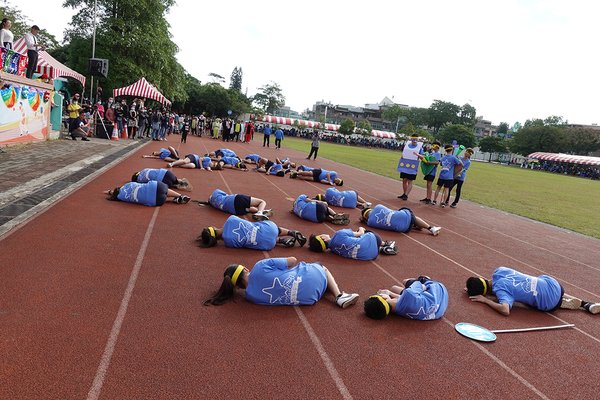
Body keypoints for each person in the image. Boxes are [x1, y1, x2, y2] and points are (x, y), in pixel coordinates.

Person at [203, 258, 360, 308]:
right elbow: (292, 260)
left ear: (236, 286)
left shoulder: (250, 296)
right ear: (244, 268)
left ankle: (324, 287)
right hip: (311, 280)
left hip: (309, 299)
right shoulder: (259, 266)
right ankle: (339, 296)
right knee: (321, 267)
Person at [465, 267, 600, 316]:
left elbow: (505, 310)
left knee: (526, 302)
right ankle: (586, 303)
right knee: (540, 282)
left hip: (550, 304)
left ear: (484, 293)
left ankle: (561, 302)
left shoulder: (501, 292)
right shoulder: (500, 270)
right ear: (482, 278)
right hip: (555, 285)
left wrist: (486, 300)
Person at [197, 216, 307, 250]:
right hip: (271, 229)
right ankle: (291, 232)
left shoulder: (229, 243)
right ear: (213, 227)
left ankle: (282, 241)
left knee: (252, 239)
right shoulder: (230, 220)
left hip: (268, 245)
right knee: (262, 227)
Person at [364, 276, 449, 320]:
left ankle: (392, 292)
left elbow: (403, 301)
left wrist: (389, 293)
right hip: (439, 292)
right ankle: (427, 278)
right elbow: (424, 287)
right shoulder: (409, 294)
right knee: (405, 281)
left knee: (394, 288)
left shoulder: (395, 311)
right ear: (384, 298)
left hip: (439, 311)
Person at [308, 227, 398, 260]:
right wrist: (361, 228)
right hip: (374, 239)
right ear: (322, 238)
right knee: (365, 233)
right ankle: (385, 244)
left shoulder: (334, 250)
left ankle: (382, 249)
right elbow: (361, 234)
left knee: (357, 244)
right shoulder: (339, 234)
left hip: (372, 256)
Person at [360, 206, 441, 236]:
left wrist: (362, 220)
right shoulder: (378, 207)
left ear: (365, 217)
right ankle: (430, 228)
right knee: (404, 212)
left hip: (404, 229)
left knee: (398, 222)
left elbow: (365, 221)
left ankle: (415, 226)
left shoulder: (370, 223)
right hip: (406, 216)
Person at [203, 188, 274, 221]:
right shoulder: (215, 192)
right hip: (235, 199)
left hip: (236, 211)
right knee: (261, 202)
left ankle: (262, 211)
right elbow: (227, 195)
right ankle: (260, 212)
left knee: (248, 208)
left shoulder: (214, 205)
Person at [103, 182, 190, 206]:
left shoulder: (121, 197)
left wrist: (110, 193)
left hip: (157, 201)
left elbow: (113, 193)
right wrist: (109, 191)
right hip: (157, 187)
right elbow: (114, 190)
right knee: (163, 189)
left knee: (148, 197)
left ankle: (172, 200)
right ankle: (179, 195)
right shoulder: (127, 185)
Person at [397, 134, 423, 201]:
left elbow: (422, 157)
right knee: (404, 180)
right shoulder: (407, 145)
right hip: (405, 164)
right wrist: (402, 157)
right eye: (413, 140)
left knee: (410, 180)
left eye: (416, 140)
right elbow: (404, 153)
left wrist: (417, 154)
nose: (414, 141)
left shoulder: (420, 147)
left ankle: (406, 194)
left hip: (413, 166)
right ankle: (404, 193)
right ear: (411, 139)